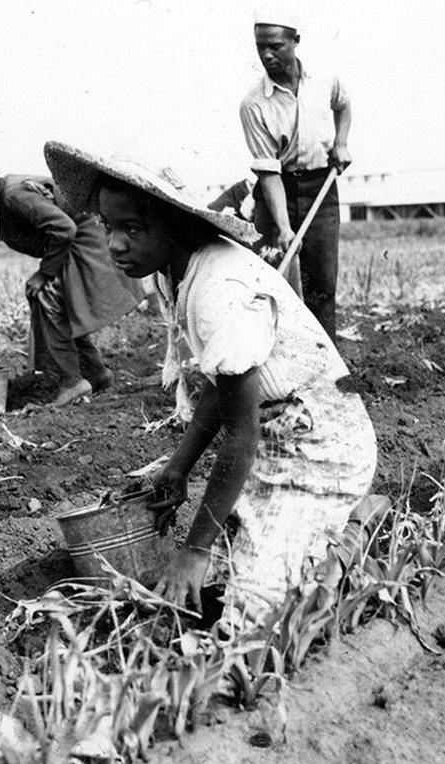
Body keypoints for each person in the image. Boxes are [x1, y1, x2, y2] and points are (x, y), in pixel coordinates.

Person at [44, 141, 383, 624]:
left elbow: (241, 437)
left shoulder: (218, 291)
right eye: (109, 226)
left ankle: (353, 531)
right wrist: (178, 469)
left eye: (132, 228)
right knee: (232, 574)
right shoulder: (176, 271)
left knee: (256, 618)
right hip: (274, 431)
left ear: (176, 226)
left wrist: (194, 549)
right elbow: (219, 390)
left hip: (322, 444)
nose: (115, 243)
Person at [0, 155, 141, 406]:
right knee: (63, 309)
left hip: (86, 240)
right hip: (79, 239)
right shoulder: (9, 194)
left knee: (49, 298)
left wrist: (44, 274)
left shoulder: (13, 194)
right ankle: (97, 373)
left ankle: (72, 381)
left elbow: (64, 228)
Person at [239, 7, 351, 340]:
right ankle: (276, 366)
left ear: (295, 41)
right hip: (277, 194)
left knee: (322, 284)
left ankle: (326, 368)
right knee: (272, 282)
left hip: (321, 188)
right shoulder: (254, 103)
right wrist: (285, 228)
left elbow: (343, 104)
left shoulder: (324, 80)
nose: (267, 54)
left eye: (276, 46)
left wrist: (341, 144)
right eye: (261, 47)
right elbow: (269, 174)